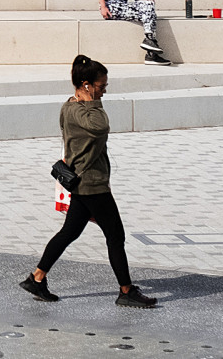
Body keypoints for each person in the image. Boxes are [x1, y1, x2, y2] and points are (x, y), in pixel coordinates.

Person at [21, 55, 160, 309]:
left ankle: (37, 278)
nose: (104, 91)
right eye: (101, 86)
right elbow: (101, 126)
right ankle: (126, 291)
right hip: (91, 184)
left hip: (82, 182)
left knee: (70, 232)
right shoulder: (83, 112)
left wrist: (90, 97)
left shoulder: (69, 106)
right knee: (115, 236)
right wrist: (93, 101)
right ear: (86, 85)